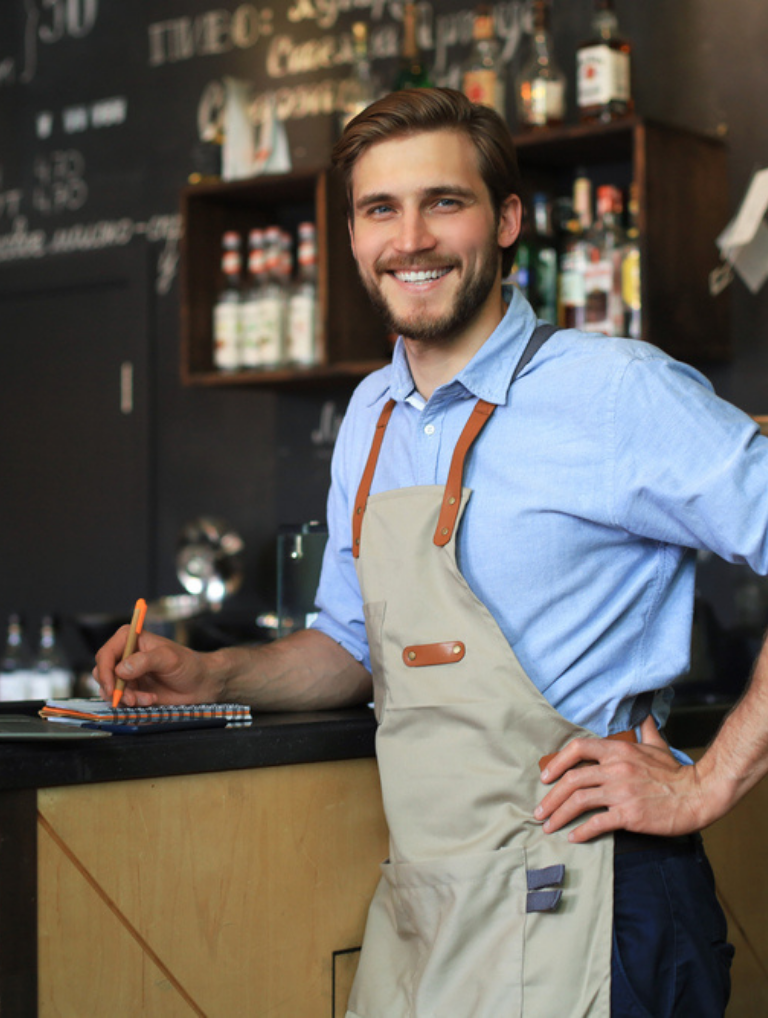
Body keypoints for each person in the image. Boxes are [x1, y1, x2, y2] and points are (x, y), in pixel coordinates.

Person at [94, 88, 768, 1016]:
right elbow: (351, 645)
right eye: (382, 209)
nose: (411, 238)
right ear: (355, 236)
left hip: (595, 913)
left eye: (443, 202)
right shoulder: (372, 416)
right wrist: (214, 675)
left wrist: (710, 781)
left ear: (507, 222)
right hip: (429, 915)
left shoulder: (612, 392)